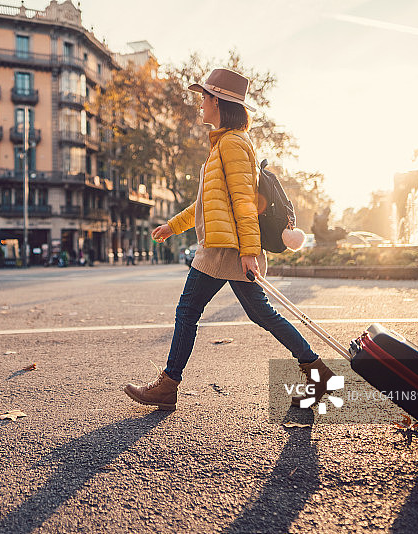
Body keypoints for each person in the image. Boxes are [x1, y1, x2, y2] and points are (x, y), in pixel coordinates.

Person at [123, 68, 335, 411]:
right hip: (226, 248)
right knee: (260, 315)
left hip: (227, 250)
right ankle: (317, 373)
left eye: (204, 97)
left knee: (189, 311)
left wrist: (250, 251)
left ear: (218, 101)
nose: (200, 104)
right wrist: (172, 227)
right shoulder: (225, 142)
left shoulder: (233, 144)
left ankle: (168, 385)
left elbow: (244, 203)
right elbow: (209, 202)